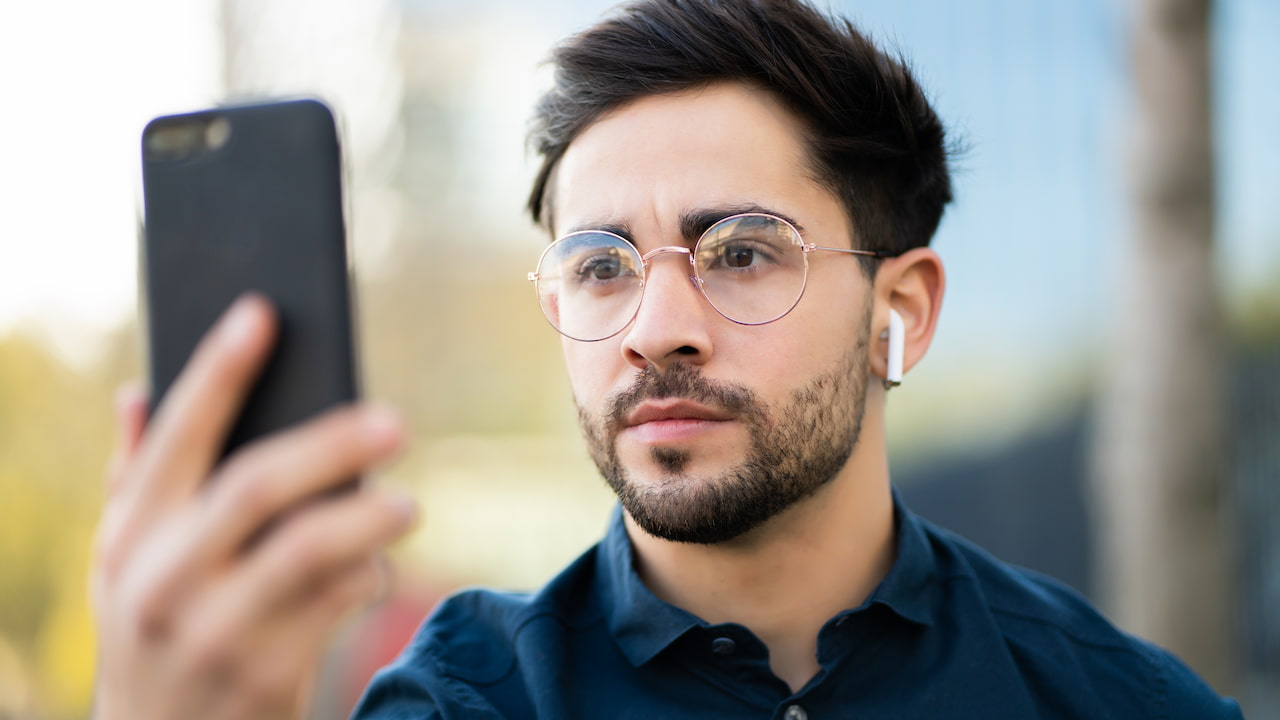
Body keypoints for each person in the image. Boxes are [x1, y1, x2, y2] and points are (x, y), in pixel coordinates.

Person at [91, 1, 1243, 719]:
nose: (654, 327)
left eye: (739, 252)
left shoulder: (1116, 702)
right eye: (600, 266)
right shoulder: (463, 702)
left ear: (901, 308)